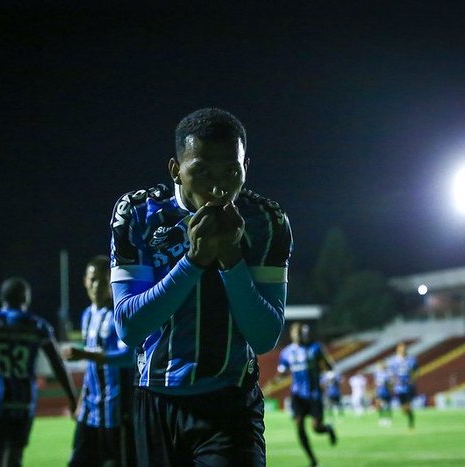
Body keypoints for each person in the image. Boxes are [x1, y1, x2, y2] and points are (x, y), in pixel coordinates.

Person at [110, 108, 293, 466]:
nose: (219, 186)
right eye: (202, 171)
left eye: (231, 171)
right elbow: (129, 327)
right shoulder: (137, 212)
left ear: (246, 167)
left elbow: (265, 335)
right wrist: (193, 262)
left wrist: (230, 260)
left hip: (230, 404)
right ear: (175, 170)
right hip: (157, 400)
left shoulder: (267, 221)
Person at [0, 277, 77, 467]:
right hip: (24, 404)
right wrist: (72, 398)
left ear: (1, 298)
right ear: (26, 298)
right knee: (15, 457)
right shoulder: (39, 326)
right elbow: (58, 365)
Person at [62, 255, 136, 467]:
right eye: (92, 280)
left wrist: (85, 354)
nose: (96, 286)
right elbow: (90, 370)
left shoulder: (119, 314)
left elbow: (127, 358)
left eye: (103, 281)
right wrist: (80, 401)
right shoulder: (87, 315)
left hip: (116, 411)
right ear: (85, 280)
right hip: (89, 411)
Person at [277, 323, 337, 467]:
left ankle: (328, 429)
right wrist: (279, 376)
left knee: (316, 428)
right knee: (299, 424)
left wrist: (327, 378)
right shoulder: (286, 352)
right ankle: (312, 460)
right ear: (291, 335)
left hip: (314, 393)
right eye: (296, 333)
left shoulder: (315, 348)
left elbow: (329, 367)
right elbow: (282, 370)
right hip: (297, 394)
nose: (299, 336)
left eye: (301, 333)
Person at [388, 342, 418, 430]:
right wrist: (392, 384)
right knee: (403, 409)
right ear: (398, 350)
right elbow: (392, 374)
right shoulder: (393, 362)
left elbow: (415, 371)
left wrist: (412, 380)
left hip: (408, 387)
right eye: (401, 349)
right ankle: (408, 412)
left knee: (408, 406)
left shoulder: (411, 360)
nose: (403, 351)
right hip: (398, 388)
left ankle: (411, 424)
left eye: (404, 349)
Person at [373, 360, 393, 427]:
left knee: (387, 405)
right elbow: (376, 383)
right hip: (379, 391)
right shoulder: (377, 373)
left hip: (386, 391)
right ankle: (381, 417)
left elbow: (391, 382)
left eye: (381, 366)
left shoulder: (388, 373)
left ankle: (389, 418)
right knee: (379, 405)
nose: (379, 367)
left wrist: (390, 388)